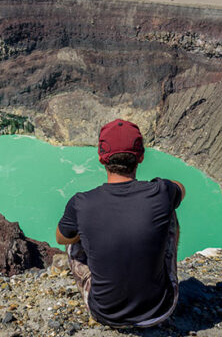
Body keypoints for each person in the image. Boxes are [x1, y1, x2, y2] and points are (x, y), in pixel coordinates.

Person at [56, 119, 185, 327]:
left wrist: (93, 228)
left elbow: (61, 237)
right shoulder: (161, 192)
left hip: (104, 314)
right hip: (161, 309)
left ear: (101, 158)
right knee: (170, 210)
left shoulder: (81, 203)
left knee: (72, 233)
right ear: (141, 157)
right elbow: (181, 189)